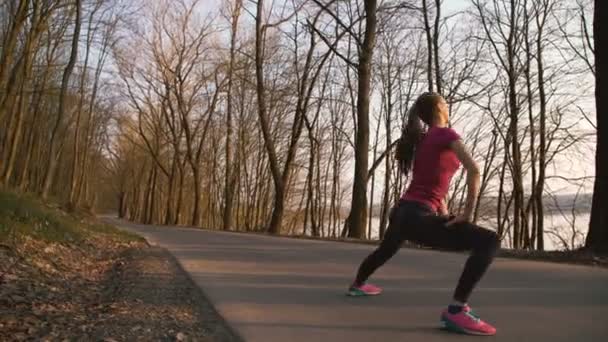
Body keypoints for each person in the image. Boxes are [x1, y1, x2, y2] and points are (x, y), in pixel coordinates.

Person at [347, 92, 500, 336]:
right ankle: (456, 310)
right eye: (446, 102)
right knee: (489, 240)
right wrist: (468, 213)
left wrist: (446, 215)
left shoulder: (423, 140)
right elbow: (474, 170)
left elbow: (434, 186)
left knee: (386, 250)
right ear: (439, 107)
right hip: (418, 216)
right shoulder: (446, 135)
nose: (448, 106)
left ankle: (358, 284)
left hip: (401, 213)